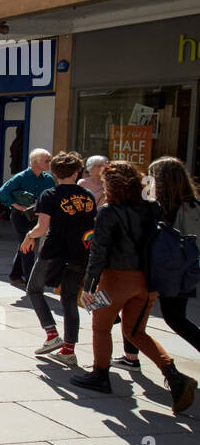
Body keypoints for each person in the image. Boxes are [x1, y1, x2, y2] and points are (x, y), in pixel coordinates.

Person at [71, 160, 196, 413]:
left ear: (112, 186)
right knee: (135, 331)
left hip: (115, 280)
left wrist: (90, 284)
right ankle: (174, 376)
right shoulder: (152, 207)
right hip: (147, 281)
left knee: (101, 327)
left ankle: (100, 375)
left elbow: (99, 251)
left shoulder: (108, 211)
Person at [117, 156, 200, 370]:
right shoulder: (191, 204)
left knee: (145, 313)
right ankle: (130, 355)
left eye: (151, 176)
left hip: (160, 269)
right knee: (171, 317)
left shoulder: (158, 206)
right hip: (182, 268)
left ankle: (131, 356)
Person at [19, 151, 95, 366]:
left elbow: (42, 228)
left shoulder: (50, 195)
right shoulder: (88, 195)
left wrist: (28, 236)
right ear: (77, 171)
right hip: (81, 252)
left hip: (54, 251)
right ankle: (69, 350)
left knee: (34, 289)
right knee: (69, 298)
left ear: (54, 172)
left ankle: (51, 334)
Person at [0, 148, 55, 286]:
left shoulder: (48, 179)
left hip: (37, 216)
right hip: (20, 216)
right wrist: (16, 206)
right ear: (35, 162)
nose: (49, 163)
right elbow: (2, 192)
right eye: (46, 160)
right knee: (28, 245)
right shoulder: (21, 176)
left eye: (50, 160)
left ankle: (15, 275)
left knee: (24, 244)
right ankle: (31, 279)